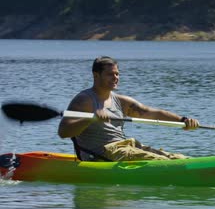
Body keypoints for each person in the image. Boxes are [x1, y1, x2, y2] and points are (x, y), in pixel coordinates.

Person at [58, 56, 199, 161]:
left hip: (125, 147)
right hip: (101, 154)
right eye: (110, 74)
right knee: (162, 162)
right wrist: (90, 120)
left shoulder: (120, 101)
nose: (115, 78)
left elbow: (151, 113)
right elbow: (63, 132)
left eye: (117, 74)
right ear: (96, 75)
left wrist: (183, 120)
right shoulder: (84, 100)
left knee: (178, 158)